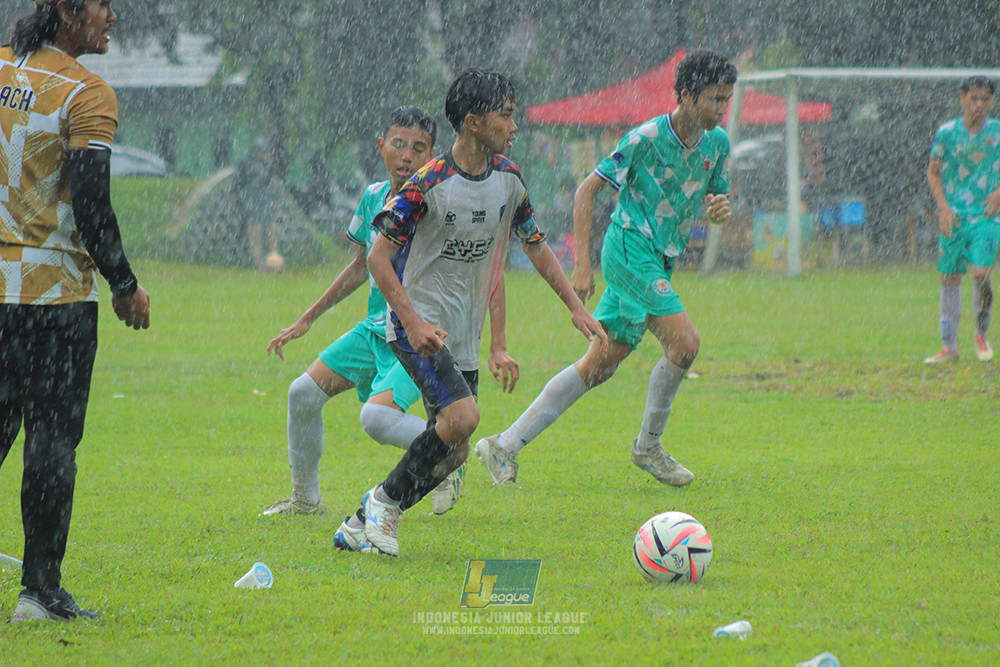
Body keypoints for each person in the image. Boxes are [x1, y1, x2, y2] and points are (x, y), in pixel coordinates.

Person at [346, 69, 607, 557]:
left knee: (453, 453)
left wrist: (575, 307)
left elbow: (534, 244)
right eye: (505, 115)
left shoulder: (508, 179)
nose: (514, 125)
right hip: (416, 326)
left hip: (462, 333)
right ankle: (384, 507)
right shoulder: (428, 183)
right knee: (464, 417)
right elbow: (377, 259)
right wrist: (414, 321)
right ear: (472, 122)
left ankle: (362, 519)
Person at [475, 49, 737, 488]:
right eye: (715, 99)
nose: (722, 109)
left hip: (659, 260)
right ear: (688, 96)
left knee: (600, 365)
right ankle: (648, 446)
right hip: (629, 250)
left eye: (727, 100)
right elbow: (586, 190)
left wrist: (718, 209)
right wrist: (581, 264)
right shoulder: (646, 138)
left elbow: (715, 198)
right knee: (685, 344)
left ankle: (505, 444)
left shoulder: (718, 144)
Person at [262, 106, 490, 531]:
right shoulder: (372, 196)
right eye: (398, 144)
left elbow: (473, 267)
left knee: (377, 417)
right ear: (380, 145)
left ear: (433, 153)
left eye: (419, 148)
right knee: (302, 394)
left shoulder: (439, 202)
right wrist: (307, 319)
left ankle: (448, 452)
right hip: (374, 331)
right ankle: (306, 499)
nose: (406, 156)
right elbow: (360, 266)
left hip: (416, 336)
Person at [0, 0, 150, 622]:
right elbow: (91, 202)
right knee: (52, 444)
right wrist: (124, 283)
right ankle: (40, 592)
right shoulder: (88, 93)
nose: (112, 17)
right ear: (67, 11)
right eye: (101, 6)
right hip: (55, 300)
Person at [924, 75, 1000, 363]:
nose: (978, 104)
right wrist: (943, 207)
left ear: (990, 102)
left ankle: (981, 334)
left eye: (984, 99)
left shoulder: (997, 133)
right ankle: (949, 348)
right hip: (954, 215)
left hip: (987, 216)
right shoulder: (946, 133)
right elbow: (933, 170)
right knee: (950, 277)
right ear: (962, 98)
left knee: (981, 273)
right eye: (973, 98)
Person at [232, 136, 282, 271]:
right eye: (261, 151)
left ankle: (274, 259)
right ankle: (259, 262)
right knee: (255, 229)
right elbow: (237, 183)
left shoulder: (266, 163)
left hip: (265, 199)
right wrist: (240, 201)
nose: (263, 154)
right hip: (250, 199)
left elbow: (269, 181)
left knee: (272, 226)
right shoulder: (245, 162)